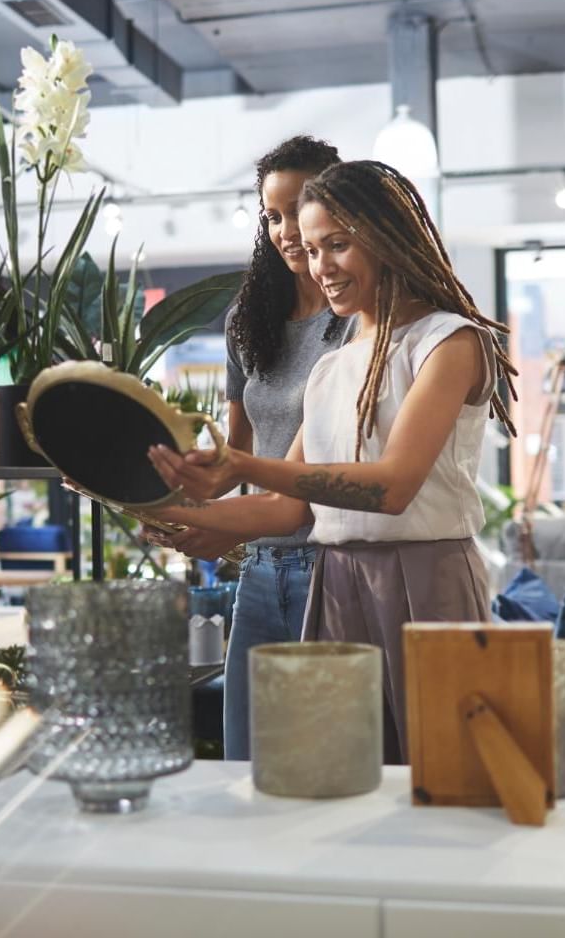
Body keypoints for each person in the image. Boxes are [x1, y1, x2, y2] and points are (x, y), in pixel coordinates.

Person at [147, 160, 518, 762]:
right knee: (338, 777)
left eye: (337, 245)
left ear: (388, 235)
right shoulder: (331, 367)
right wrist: (169, 509)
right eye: (314, 250)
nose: (321, 267)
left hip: (425, 582)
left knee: (443, 774)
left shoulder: (451, 342)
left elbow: (393, 488)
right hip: (337, 585)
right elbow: (286, 508)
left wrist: (243, 465)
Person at [151, 135, 345, 761]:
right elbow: (236, 451)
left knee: (322, 763)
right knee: (245, 762)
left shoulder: (360, 321)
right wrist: (166, 491)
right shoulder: (247, 321)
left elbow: (299, 478)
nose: (288, 230)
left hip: (332, 570)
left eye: (300, 211)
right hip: (261, 571)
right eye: (273, 215)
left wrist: (206, 517)